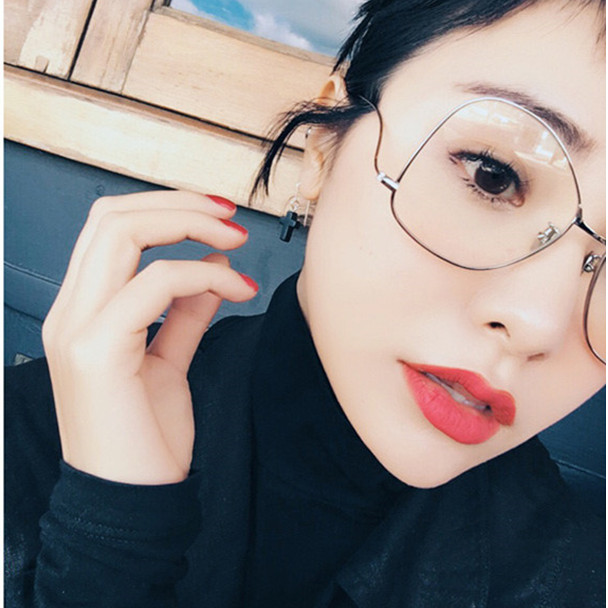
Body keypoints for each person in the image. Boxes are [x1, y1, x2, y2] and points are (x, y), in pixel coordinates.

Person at [5, 0, 606, 606]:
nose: (539, 324)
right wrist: (109, 532)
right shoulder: (23, 442)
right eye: (492, 174)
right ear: (323, 147)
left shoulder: (576, 579)